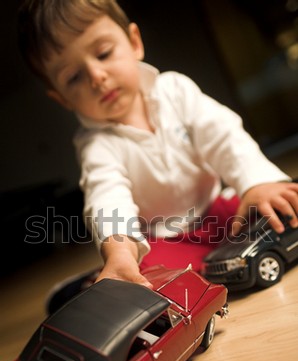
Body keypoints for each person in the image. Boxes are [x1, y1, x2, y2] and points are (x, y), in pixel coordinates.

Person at [17, 0, 298, 297]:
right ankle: (94, 281)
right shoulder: (96, 144)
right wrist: (120, 250)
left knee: (278, 201)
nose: (97, 77)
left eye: (103, 53)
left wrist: (257, 182)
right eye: (74, 77)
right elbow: (107, 198)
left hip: (220, 213)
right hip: (166, 237)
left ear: (134, 42)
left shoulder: (175, 90)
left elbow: (224, 137)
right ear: (63, 99)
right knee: (146, 281)